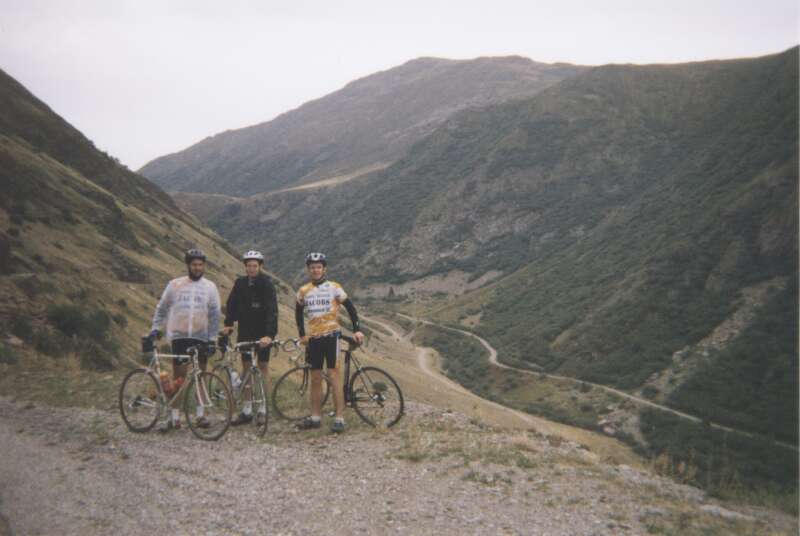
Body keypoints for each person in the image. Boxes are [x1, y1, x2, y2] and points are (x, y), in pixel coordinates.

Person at [149, 248, 222, 431]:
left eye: (200, 265)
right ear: (188, 265)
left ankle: (200, 415)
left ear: (204, 266)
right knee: (179, 378)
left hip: (201, 337)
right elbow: (162, 307)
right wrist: (155, 328)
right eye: (194, 264)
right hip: (180, 337)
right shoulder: (175, 285)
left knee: (201, 377)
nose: (198, 268)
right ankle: (174, 417)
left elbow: (214, 314)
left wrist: (212, 339)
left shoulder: (210, 287)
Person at [295, 252, 364, 433]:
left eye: (318, 267)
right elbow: (298, 313)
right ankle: (315, 416)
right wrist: (302, 334)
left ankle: (340, 417)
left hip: (332, 336)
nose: (315, 270)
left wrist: (357, 329)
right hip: (314, 339)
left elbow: (350, 307)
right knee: (316, 378)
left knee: (334, 376)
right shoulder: (303, 290)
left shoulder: (334, 287)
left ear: (324, 269)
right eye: (312, 267)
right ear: (308, 270)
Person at [222, 250, 279, 425]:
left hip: (263, 333)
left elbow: (272, 311)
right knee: (246, 369)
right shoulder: (240, 283)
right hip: (245, 332)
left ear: (260, 266)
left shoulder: (267, 284)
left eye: (255, 266)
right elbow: (231, 304)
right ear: (245, 267)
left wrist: (269, 335)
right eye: (249, 266)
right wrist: (229, 324)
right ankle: (247, 410)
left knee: (262, 368)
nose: (252, 269)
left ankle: (262, 408)